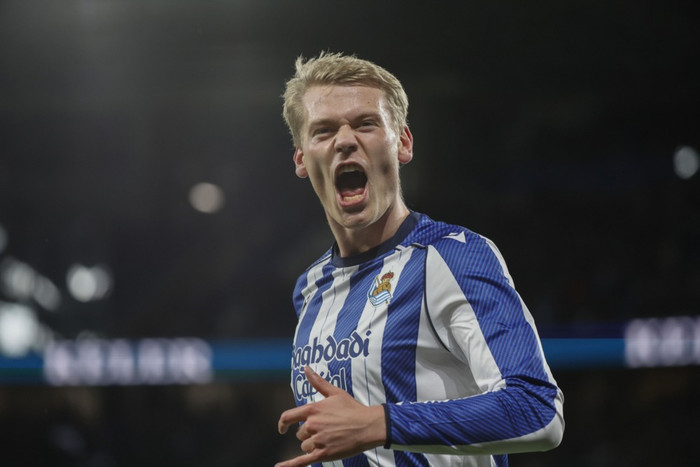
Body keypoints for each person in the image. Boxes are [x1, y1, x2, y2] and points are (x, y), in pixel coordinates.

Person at [276, 52, 564, 467]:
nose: (344, 140)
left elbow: (537, 409)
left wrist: (381, 424)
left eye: (366, 124)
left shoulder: (454, 257)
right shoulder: (309, 288)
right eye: (323, 130)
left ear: (403, 143)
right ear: (302, 159)